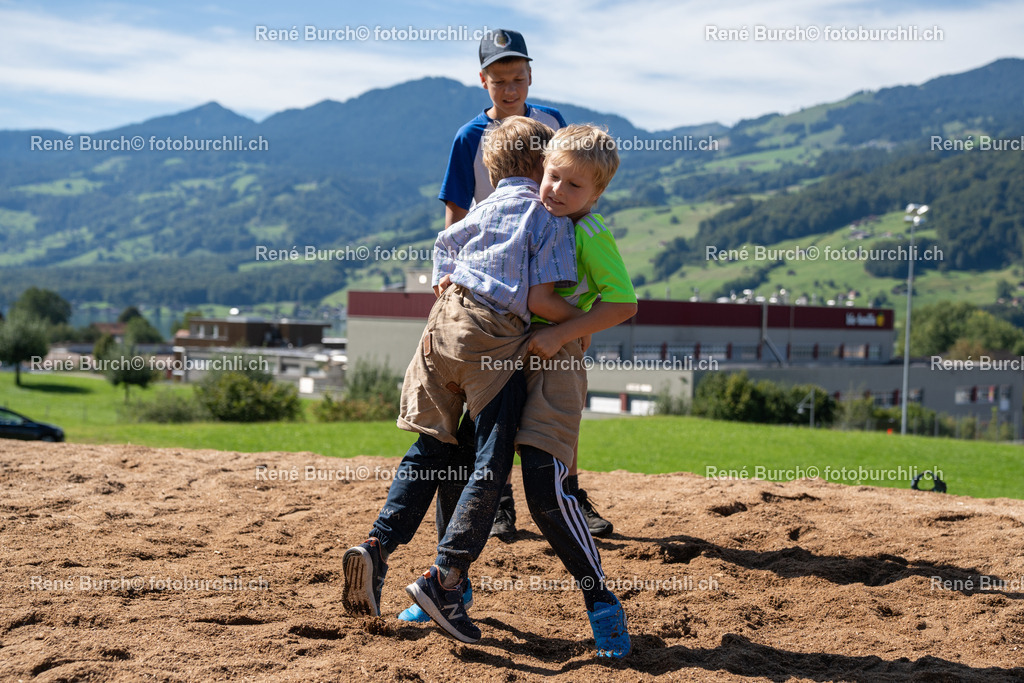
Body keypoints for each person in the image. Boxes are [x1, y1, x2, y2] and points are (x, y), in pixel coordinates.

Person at [342, 116, 580, 645]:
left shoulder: (479, 210)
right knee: (490, 464)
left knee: (432, 446)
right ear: (545, 168)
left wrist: (452, 280)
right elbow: (540, 300)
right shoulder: (547, 216)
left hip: (441, 330)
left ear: (491, 167)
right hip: (491, 340)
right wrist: (579, 323)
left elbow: (443, 255)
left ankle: (377, 547)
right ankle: (446, 579)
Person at [436, 26, 612, 547]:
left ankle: (571, 491)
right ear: (483, 81)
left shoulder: (554, 124)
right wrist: (449, 271)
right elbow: (456, 211)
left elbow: (577, 190)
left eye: (518, 77)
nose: (510, 89)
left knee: (558, 387)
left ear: (530, 75)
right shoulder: (470, 138)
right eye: (499, 80)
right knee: (495, 391)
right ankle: (500, 503)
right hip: (494, 289)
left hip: (548, 270)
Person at [514, 123, 638, 658]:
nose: (557, 191)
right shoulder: (532, 213)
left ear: (597, 195)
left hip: (557, 366)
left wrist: (566, 332)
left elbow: (624, 304)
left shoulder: (591, 234)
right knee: (473, 475)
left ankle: (602, 604)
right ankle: (453, 589)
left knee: (547, 488)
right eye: (553, 176)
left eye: (574, 187)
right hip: (505, 357)